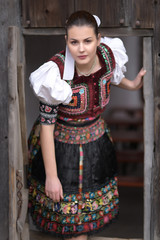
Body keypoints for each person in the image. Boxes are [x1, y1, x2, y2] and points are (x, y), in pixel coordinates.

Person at [28, 10, 146, 240]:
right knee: (72, 228)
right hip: (62, 150)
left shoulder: (108, 56)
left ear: (99, 39)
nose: (81, 49)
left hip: (97, 144)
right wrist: (52, 176)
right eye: (74, 42)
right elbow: (46, 126)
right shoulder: (56, 73)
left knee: (87, 223)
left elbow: (109, 77)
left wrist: (132, 85)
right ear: (66, 41)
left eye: (87, 41)